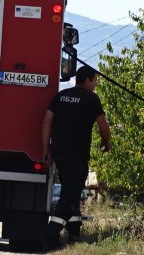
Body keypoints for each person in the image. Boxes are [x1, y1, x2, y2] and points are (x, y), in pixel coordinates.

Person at [41, 65, 111, 245]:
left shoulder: (61, 96)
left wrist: (46, 150)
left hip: (59, 153)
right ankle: (50, 233)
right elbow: (103, 125)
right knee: (69, 196)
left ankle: (73, 233)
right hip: (77, 154)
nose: (95, 85)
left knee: (70, 191)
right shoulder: (91, 98)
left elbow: (47, 122)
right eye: (95, 81)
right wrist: (106, 142)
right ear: (88, 80)